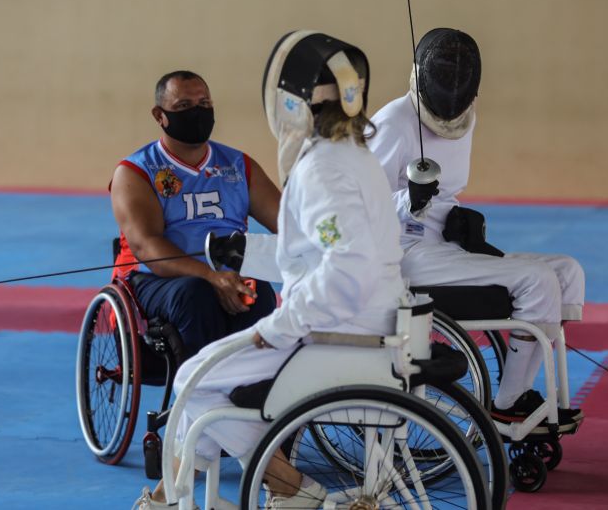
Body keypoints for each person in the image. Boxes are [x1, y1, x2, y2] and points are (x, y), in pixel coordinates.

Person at [133, 32, 407, 509]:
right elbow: (316, 249)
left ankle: (286, 487)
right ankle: (172, 495)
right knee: (209, 377)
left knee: (192, 381)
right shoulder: (357, 157)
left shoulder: (320, 168)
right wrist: (235, 258)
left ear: (292, 103)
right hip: (377, 313)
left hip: (337, 329)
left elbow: (344, 262)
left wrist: (282, 324)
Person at [366, 28, 586, 428]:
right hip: (400, 256)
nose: (451, 84)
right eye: (444, 72)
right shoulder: (393, 123)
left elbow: (447, 192)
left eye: (459, 75)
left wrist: (458, 220)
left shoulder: (466, 120)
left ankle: (520, 389)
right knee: (537, 281)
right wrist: (408, 202)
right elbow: (362, 208)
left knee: (566, 272)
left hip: (444, 250)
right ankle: (507, 405)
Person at [110, 70, 280, 360]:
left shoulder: (238, 165)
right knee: (196, 295)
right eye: (184, 106)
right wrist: (211, 276)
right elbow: (146, 246)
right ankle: (200, 393)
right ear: (159, 115)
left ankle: (247, 386)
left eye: (204, 103)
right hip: (155, 280)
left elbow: (287, 224)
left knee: (259, 293)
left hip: (226, 273)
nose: (197, 112)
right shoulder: (136, 171)